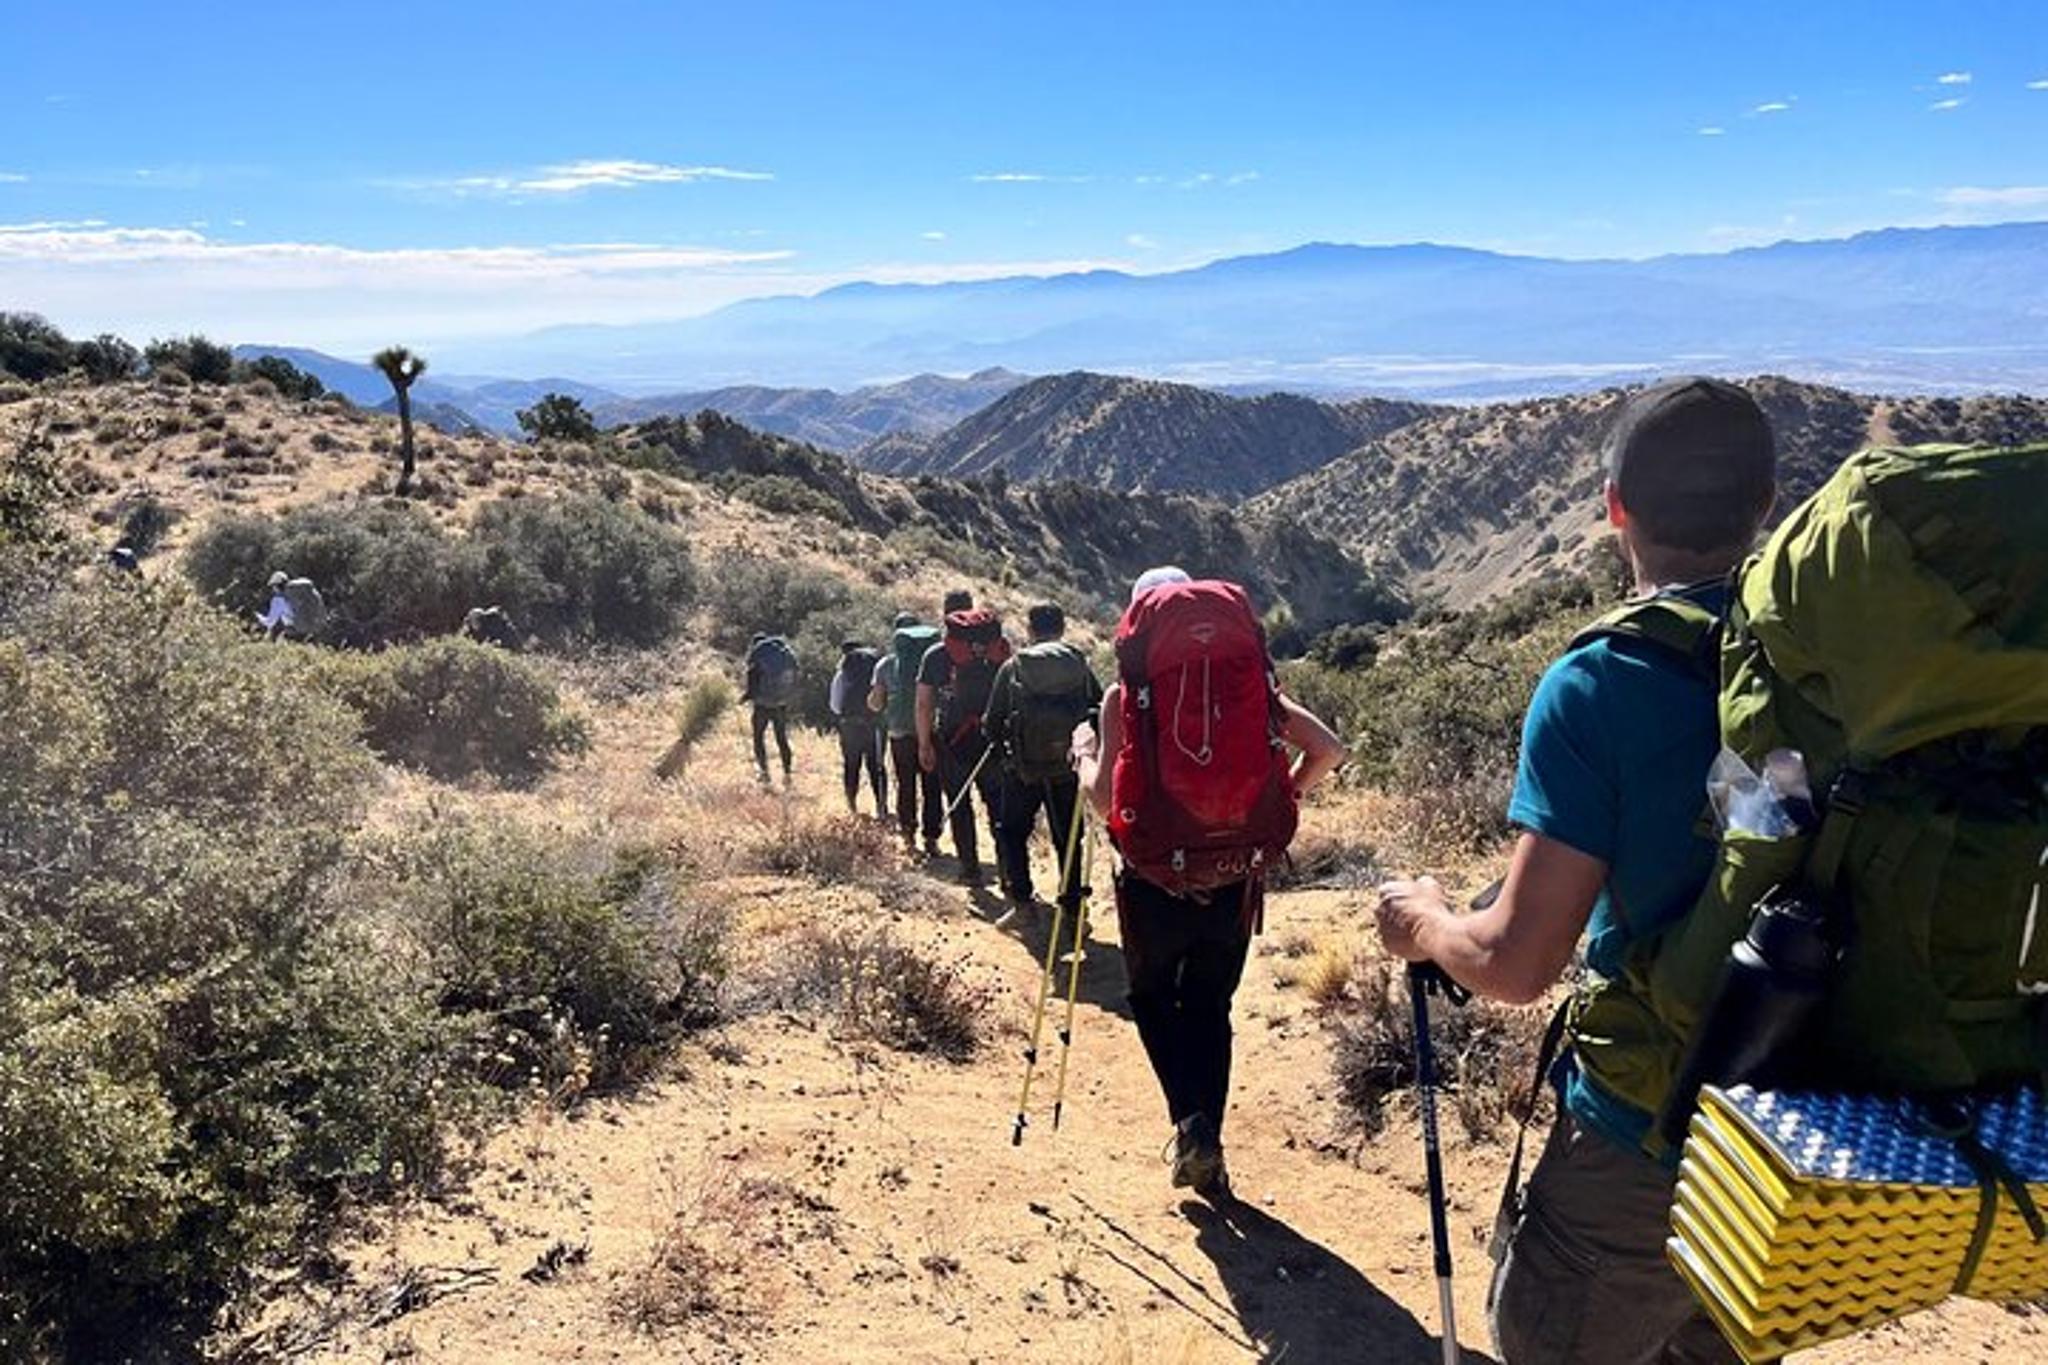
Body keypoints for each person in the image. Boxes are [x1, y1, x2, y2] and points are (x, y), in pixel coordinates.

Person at [1373, 378, 1777, 1365]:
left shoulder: (1599, 682)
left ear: (1613, 510)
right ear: (1766, 508)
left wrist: (1422, 921)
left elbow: (1513, 964)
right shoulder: (1829, 666)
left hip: (1648, 1130)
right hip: (1803, 1131)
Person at [1075, 566, 1347, 1199]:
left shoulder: (1124, 698)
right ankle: (1211, 1144)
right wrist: (1287, 794)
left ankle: (1189, 1122)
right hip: (1236, 873)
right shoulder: (1251, 687)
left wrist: (1084, 752)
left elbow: (1101, 801)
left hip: (1152, 878)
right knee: (1210, 1006)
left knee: (1149, 999)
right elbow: (1329, 748)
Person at [983, 602, 1101, 913]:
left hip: (1023, 769)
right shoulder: (1079, 666)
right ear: (1062, 628)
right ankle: (1073, 905)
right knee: (1068, 837)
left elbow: (991, 723)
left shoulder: (1013, 667)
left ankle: (1023, 901)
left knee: (1012, 832)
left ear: (1030, 629)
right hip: (1068, 767)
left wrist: (1007, 756)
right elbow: (1098, 711)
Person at [916, 588, 1010, 886]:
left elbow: (923, 703)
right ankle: (1009, 871)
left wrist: (924, 742)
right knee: (998, 805)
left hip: (951, 741)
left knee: (959, 804)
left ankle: (970, 869)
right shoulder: (999, 650)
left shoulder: (936, 655)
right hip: (992, 740)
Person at [871, 611, 945, 852]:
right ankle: (931, 838)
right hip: (931, 730)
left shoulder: (886, 664)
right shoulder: (934, 660)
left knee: (906, 784)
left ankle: (908, 835)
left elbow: (877, 703)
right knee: (931, 785)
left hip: (900, 732)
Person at [831, 639, 888, 817]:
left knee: (851, 765)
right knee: (876, 766)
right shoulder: (878, 668)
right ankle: (881, 808)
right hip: (874, 724)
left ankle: (852, 807)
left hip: (850, 725)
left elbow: (835, 705)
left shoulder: (842, 674)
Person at [742, 631, 800, 786]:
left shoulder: (758, 656)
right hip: (781, 703)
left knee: (758, 737)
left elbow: (752, 683)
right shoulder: (783, 654)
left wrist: (746, 697)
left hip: (762, 705)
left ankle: (764, 772)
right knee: (781, 738)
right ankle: (787, 773)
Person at [255, 570, 297, 640]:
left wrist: (258, 617)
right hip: (308, 629)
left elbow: (270, 622)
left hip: (293, 632)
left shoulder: (278, 600)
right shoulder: (294, 596)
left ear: (276, 586)